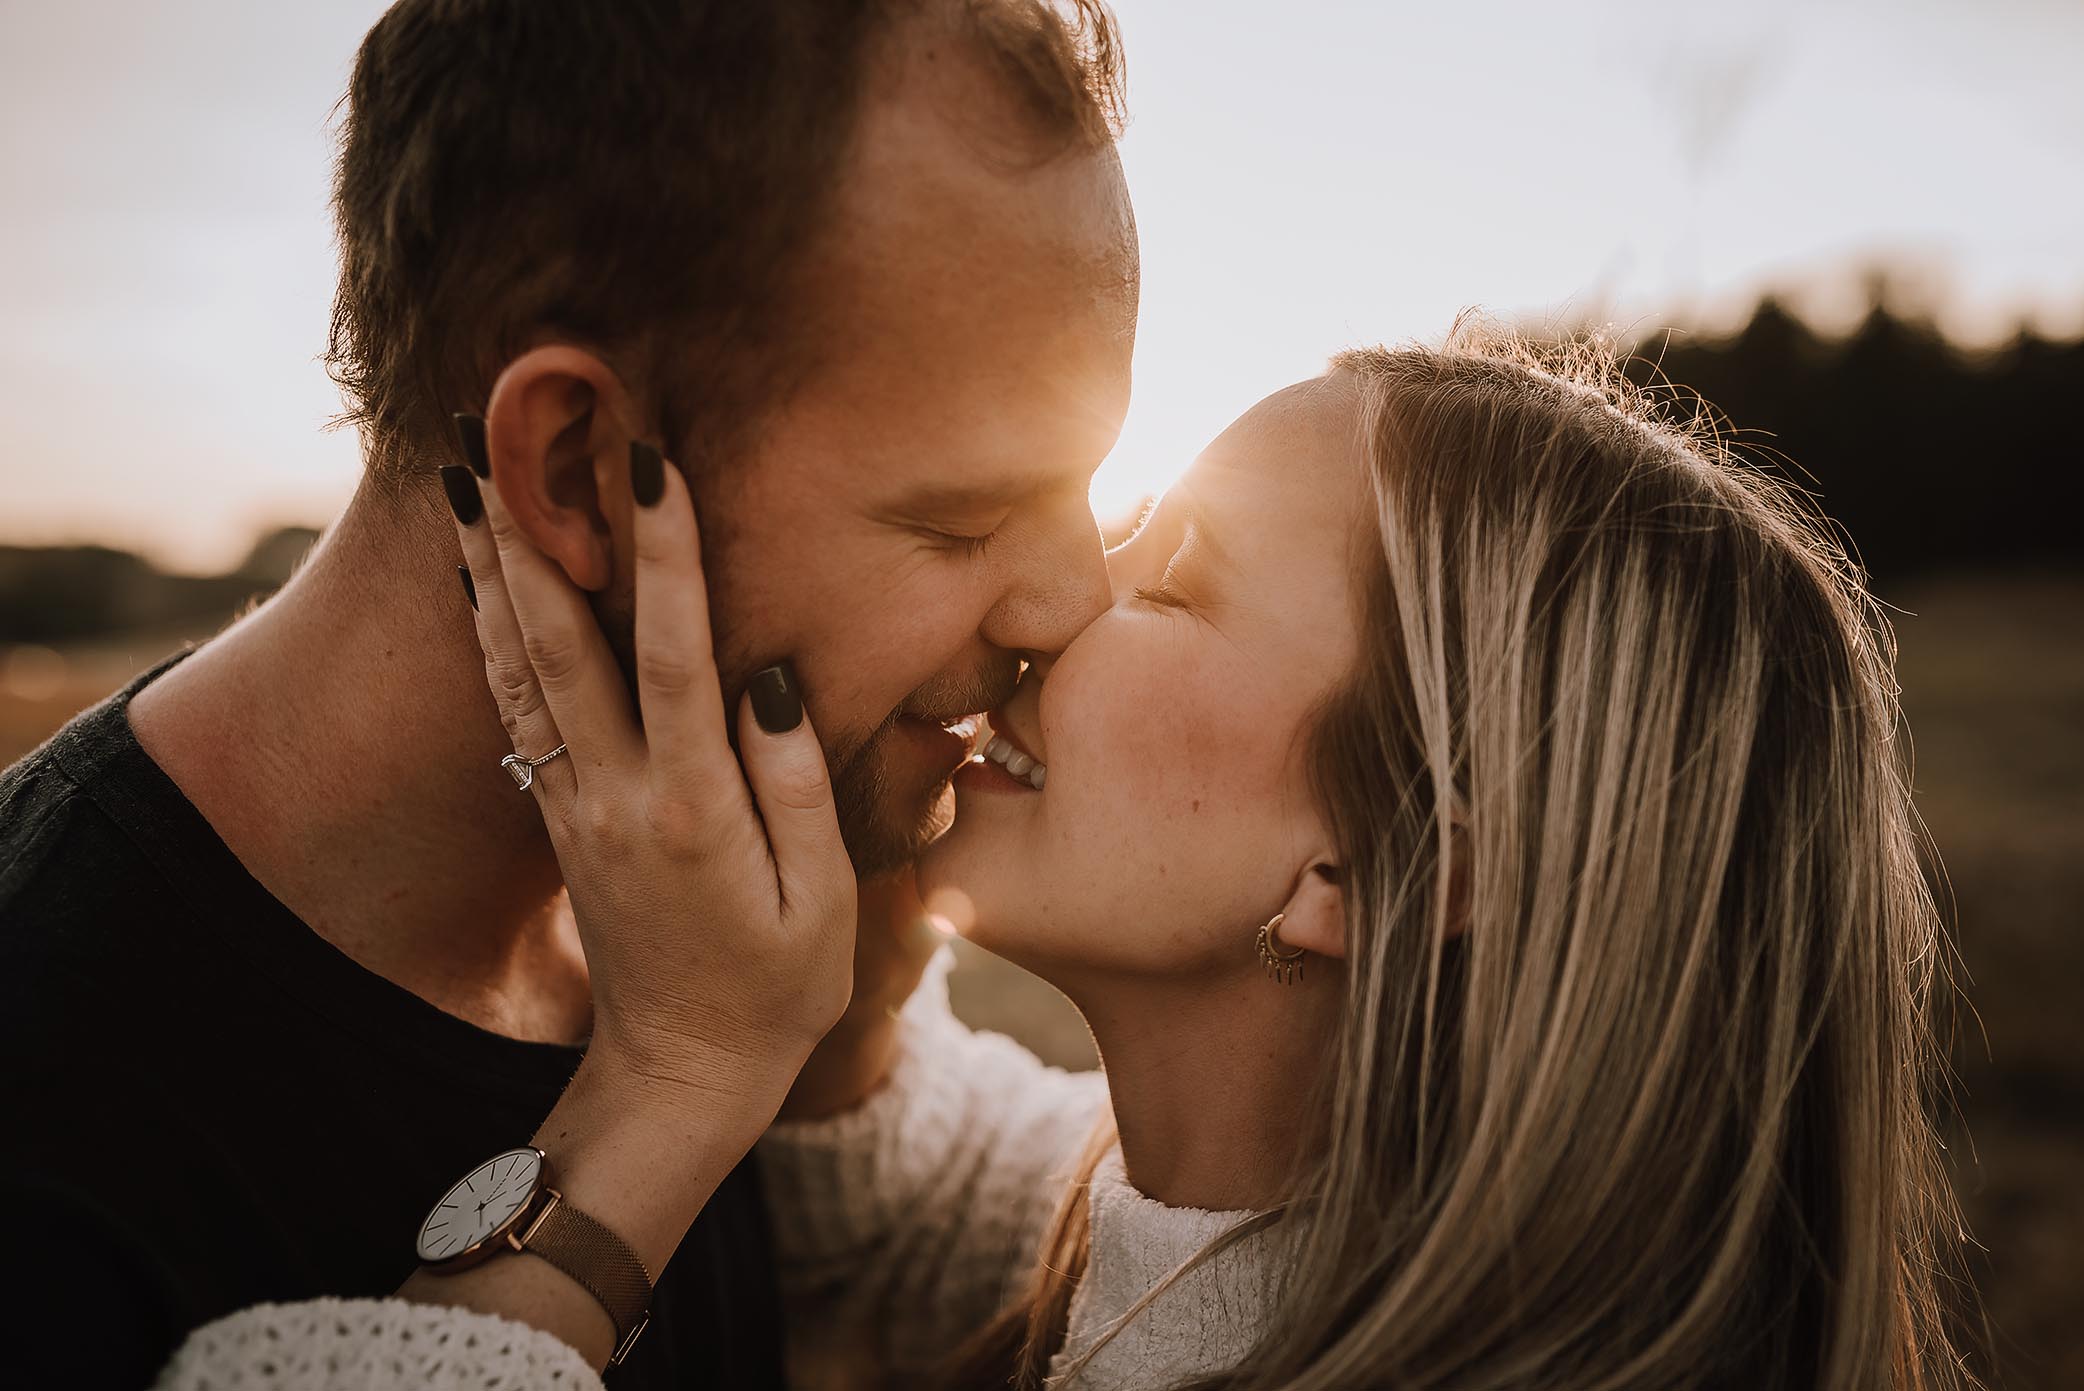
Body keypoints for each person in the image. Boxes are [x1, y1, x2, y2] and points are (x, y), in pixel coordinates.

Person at [157, 328, 1981, 1390]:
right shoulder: (1209, 1224)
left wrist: (669, 1084)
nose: (1056, 601)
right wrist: (849, 781)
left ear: (1384, 865)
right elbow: (874, 1184)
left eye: (1173, 582)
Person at [0, 1, 1133, 1385]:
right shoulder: (51, 1133)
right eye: (965, 516)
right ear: (578, 463)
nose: (1075, 600)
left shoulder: (711, 904)